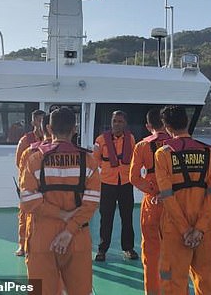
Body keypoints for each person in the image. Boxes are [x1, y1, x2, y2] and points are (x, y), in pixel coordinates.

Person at [19, 107, 100, 295]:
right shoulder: (88, 161)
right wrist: (70, 228)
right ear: (75, 129)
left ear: (48, 128)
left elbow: (28, 201)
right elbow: (91, 202)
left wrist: (60, 214)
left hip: (42, 236)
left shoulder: (35, 160)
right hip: (77, 235)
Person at [155, 105, 211, 295]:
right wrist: (199, 228)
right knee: (209, 282)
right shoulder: (209, 153)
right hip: (205, 229)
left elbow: (167, 196)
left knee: (174, 282)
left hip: (175, 229)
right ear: (186, 122)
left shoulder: (163, 154)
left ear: (167, 127)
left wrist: (185, 230)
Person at [129, 108, 172, 295]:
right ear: (165, 124)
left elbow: (134, 177)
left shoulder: (142, 146)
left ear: (148, 126)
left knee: (151, 251)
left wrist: (153, 190)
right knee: (175, 249)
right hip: (175, 200)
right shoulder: (176, 145)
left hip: (152, 201)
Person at [93, 110, 137, 261]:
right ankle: (102, 249)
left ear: (125, 123)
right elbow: (96, 159)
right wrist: (107, 168)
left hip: (126, 182)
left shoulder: (130, 139)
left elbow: (133, 157)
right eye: (114, 121)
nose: (117, 124)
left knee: (127, 216)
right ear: (111, 123)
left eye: (120, 121)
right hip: (107, 183)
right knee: (106, 217)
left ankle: (129, 248)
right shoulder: (100, 140)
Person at [14, 109, 47, 256]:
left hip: (45, 184)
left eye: (43, 121)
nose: (40, 124)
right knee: (24, 214)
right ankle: (22, 245)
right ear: (33, 122)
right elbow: (19, 162)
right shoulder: (25, 141)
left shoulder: (51, 140)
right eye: (38, 120)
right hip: (28, 184)